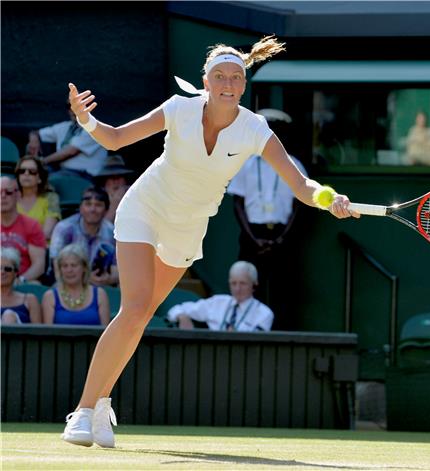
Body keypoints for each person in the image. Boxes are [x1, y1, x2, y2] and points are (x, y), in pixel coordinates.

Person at [61, 35, 358, 448]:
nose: (227, 83)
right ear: (205, 79)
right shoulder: (179, 108)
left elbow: (299, 184)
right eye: (219, 75)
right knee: (133, 308)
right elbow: (114, 139)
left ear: (243, 85)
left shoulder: (255, 129)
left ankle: (102, 402)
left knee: (143, 314)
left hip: (188, 227)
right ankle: (85, 411)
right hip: (144, 208)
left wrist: (331, 200)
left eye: (236, 77)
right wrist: (86, 120)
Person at [226, 108, 306, 328]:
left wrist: (281, 238)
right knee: (250, 286)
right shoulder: (246, 163)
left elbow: (299, 207)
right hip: (253, 234)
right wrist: (253, 236)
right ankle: (247, 331)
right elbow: (238, 203)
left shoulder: (295, 165)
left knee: (285, 287)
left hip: (283, 235)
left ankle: (283, 332)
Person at [167, 261, 273, 331]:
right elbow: (176, 309)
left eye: (243, 283)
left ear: (254, 284)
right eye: (233, 283)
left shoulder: (264, 313)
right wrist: (183, 317)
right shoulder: (217, 302)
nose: (237, 289)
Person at [50, 186, 118, 287]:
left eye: (98, 205)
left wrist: (108, 279)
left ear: (106, 210)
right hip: (67, 281)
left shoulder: (111, 232)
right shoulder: (64, 228)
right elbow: (56, 268)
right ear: (80, 208)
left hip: (101, 284)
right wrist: (85, 278)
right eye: (88, 204)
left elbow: (117, 270)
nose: (92, 209)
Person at [27, 97, 108, 180]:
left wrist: (40, 162)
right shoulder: (65, 126)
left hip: (86, 175)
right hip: (65, 172)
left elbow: (70, 152)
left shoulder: (94, 127)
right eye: (70, 106)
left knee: (45, 179)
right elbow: (35, 133)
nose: (73, 109)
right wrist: (34, 141)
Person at [42, 244, 110, 326]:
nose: (69, 270)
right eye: (64, 266)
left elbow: (106, 332)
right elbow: (48, 335)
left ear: (84, 267)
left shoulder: (100, 295)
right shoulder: (50, 297)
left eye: (74, 265)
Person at [1, 176, 47, 284]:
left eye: (8, 192)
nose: (3, 196)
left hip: (20, 282)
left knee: (36, 285)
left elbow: (39, 265)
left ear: (18, 195)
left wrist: (20, 280)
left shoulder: (32, 225)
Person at [15, 155, 62, 241]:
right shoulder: (9, 196)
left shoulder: (51, 198)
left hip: (41, 248)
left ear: (40, 178)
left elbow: (47, 233)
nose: (26, 174)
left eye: (32, 171)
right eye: (22, 171)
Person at [1, 247, 42, 324]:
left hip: (21, 335)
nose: (2, 272)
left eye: (7, 269)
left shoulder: (29, 299)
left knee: (8, 315)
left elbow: (39, 333)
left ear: (15, 273)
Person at [94, 154, 133, 223]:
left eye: (119, 176)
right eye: (111, 177)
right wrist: (115, 203)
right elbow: (102, 230)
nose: (116, 181)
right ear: (104, 182)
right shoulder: (95, 199)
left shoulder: (134, 195)